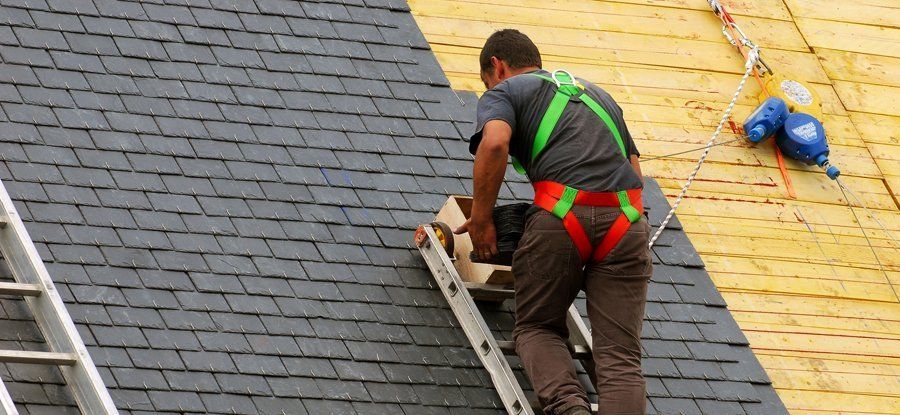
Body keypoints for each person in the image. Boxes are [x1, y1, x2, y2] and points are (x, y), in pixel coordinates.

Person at [454, 29, 652, 415]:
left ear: (497, 66)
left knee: (538, 328)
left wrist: (480, 220)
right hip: (627, 224)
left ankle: (569, 409)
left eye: (486, 80)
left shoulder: (506, 92)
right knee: (620, 357)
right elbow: (635, 174)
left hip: (562, 218)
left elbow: (494, 144)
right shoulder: (600, 97)